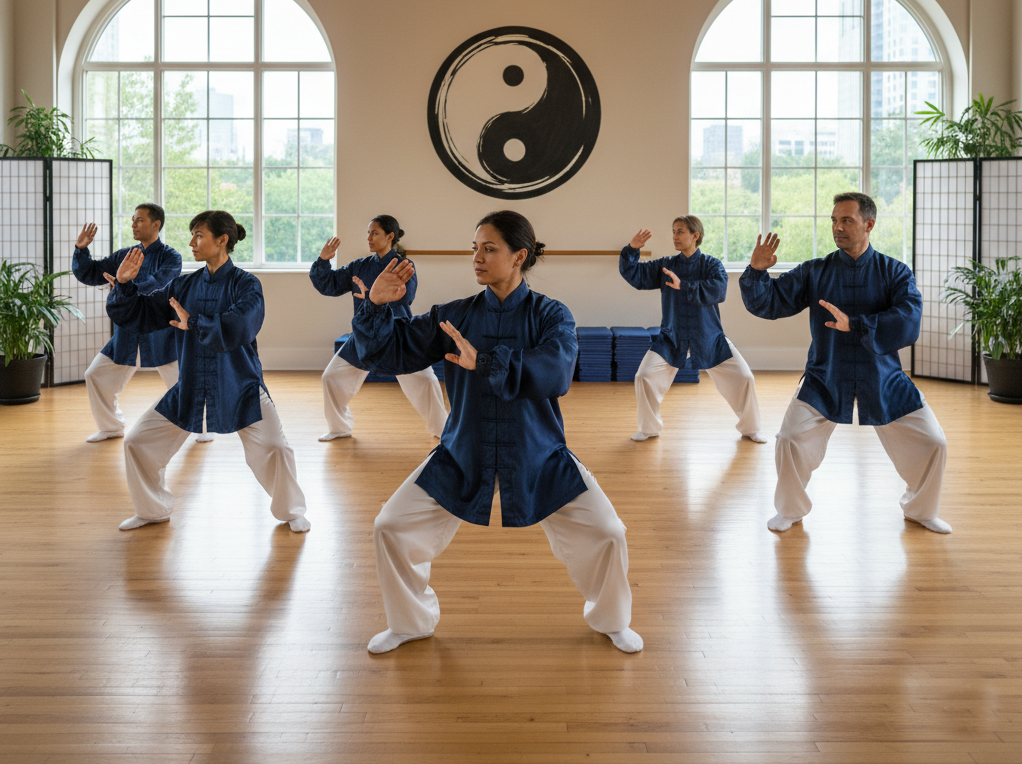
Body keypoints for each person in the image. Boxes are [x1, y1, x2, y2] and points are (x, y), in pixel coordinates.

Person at [352, 210, 642, 656]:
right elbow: (390, 354)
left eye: (489, 248)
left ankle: (611, 619)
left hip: (538, 452)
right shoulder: (454, 316)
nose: (477, 257)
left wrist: (484, 362)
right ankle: (410, 622)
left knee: (608, 533)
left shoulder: (551, 315)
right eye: (474, 248)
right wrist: (376, 306)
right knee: (390, 526)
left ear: (519, 256)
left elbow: (558, 371)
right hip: (462, 450)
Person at [739, 192, 951, 535]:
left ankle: (920, 509)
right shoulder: (815, 271)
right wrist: (756, 272)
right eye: (834, 221)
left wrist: (857, 324)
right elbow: (770, 304)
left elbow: (909, 319)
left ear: (869, 225)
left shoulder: (895, 272)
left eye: (847, 220)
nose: (838, 227)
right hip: (826, 374)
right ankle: (790, 509)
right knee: (790, 439)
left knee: (934, 443)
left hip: (883, 377)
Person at [107, 210, 309, 534]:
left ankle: (292, 510)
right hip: (190, 386)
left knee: (275, 448)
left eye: (199, 235)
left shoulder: (246, 284)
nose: (191, 243)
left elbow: (241, 324)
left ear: (222, 240)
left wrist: (196, 322)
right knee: (137, 442)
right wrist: (125, 285)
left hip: (240, 384)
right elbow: (144, 312)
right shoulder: (183, 284)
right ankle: (152, 508)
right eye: (192, 235)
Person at [620, 216, 764, 443]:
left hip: (708, 336)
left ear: (695, 236)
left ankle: (751, 428)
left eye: (680, 232)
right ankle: (649, 428)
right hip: (672, 337)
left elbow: (719, 290)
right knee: (644, 376)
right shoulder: (665, 265)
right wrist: (632, 250)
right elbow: (636, 276)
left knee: (745, 377)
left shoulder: (712, 264)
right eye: (673, 232)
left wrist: (684, 285)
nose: (675, 237)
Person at [309, 215, 447, 441]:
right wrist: (323, 260)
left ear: (390, 236)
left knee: (427, 381)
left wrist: (380, 294)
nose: (369, 238)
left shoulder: (403, 266)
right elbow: (329, 285)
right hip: (365, 336)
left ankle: (443, 430)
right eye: (368, 233)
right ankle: (339, 427)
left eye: (374, 233)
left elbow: (406, 297)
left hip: (397, 335)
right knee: (331, 378)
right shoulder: (359, 266)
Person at [72, 204, 188, 443]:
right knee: (95, 375)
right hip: (126, 334)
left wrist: (125, 285)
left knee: (183, 384)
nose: (133, 224)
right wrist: (81, 250)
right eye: (133, 220)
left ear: (156, 224)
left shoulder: (171, 257)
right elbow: (92, 273)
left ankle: (201, 426)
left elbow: (159, 283)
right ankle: (111, 426)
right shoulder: (124, 255)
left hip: (160, 330)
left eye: (140, 220)